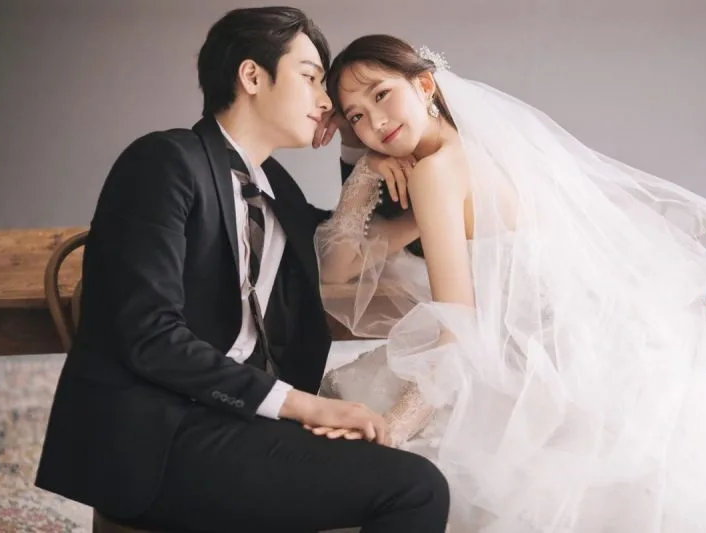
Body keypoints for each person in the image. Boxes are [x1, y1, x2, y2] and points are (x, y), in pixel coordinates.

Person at [313, 34, 706, 532]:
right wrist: (367, 168)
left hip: (532, 358)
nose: (376, 122)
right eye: (357, 116)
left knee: (367, 434)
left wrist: (395, 428)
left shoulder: (435, 173)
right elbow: (340, 268)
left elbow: (457, 329)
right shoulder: (469, 147)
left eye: (382, 95)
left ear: (425, 85)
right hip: (588, 343)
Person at [34, 10, 449, 533]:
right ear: (252, 76)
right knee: (415, 488)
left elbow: (345, 250)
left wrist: (371, 158)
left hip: (243, 424)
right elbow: (150, 335)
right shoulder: (164, 162)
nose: (326, 102)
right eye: (310, 77)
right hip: (164, 437)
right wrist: (303, 407)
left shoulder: (278, 190)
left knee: (411, 453)